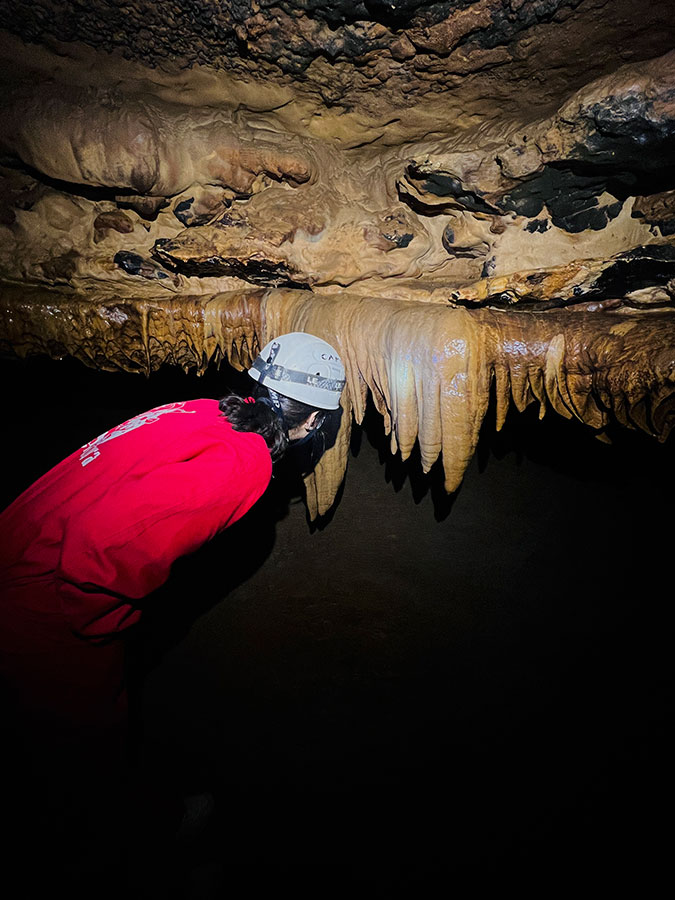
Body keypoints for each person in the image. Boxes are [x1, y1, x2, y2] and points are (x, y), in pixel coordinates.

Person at [0, 331, 345, 884]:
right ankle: (126, 855)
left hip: (20, 543)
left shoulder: (202, 411)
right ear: (313, 421)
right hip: (46, 604)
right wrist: (108, 627)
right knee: (80, 750)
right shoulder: (243, 463)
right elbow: (96, 552)